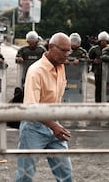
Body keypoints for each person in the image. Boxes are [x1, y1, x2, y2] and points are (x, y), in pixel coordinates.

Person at [16, 32, 73, 182]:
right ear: (51, 47)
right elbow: (31, 107)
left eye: (69, 51)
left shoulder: (60, 67)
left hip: (54, 125)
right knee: (25, 176)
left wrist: (55, 124)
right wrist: (54, 126)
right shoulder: (36, 71)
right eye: (64, 50)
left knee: (66, 175)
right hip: (33, 127)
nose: (67, 54)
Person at [88, 31, 109, 102]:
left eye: (105, 41)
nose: (104, 42)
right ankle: (98, 102)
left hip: (108, 72)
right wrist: (93, 61)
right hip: (98, 71)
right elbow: (88, 58)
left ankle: (106, 100)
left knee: (107, 88)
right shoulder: (94, 49)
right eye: (102, 40)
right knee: (98, 88)